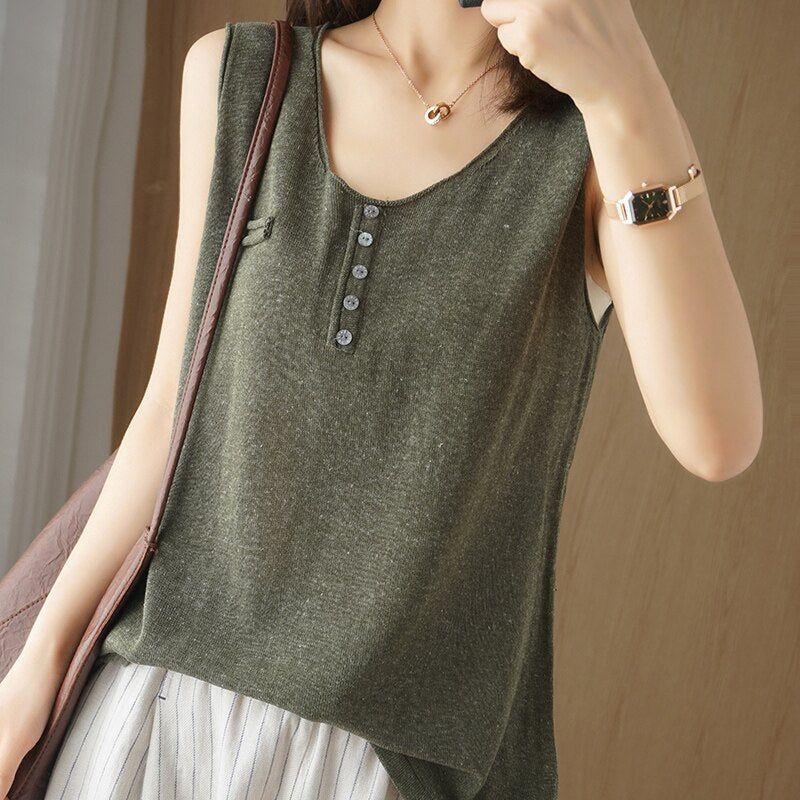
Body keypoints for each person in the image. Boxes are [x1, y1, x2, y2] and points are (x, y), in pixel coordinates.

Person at [0, 0, 762, 799]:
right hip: (156, 720)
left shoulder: (601, 141)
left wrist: (629, 86)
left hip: (388, 768)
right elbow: (170, 414)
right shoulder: (241, 76)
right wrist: (38, 666)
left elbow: (718, 439)